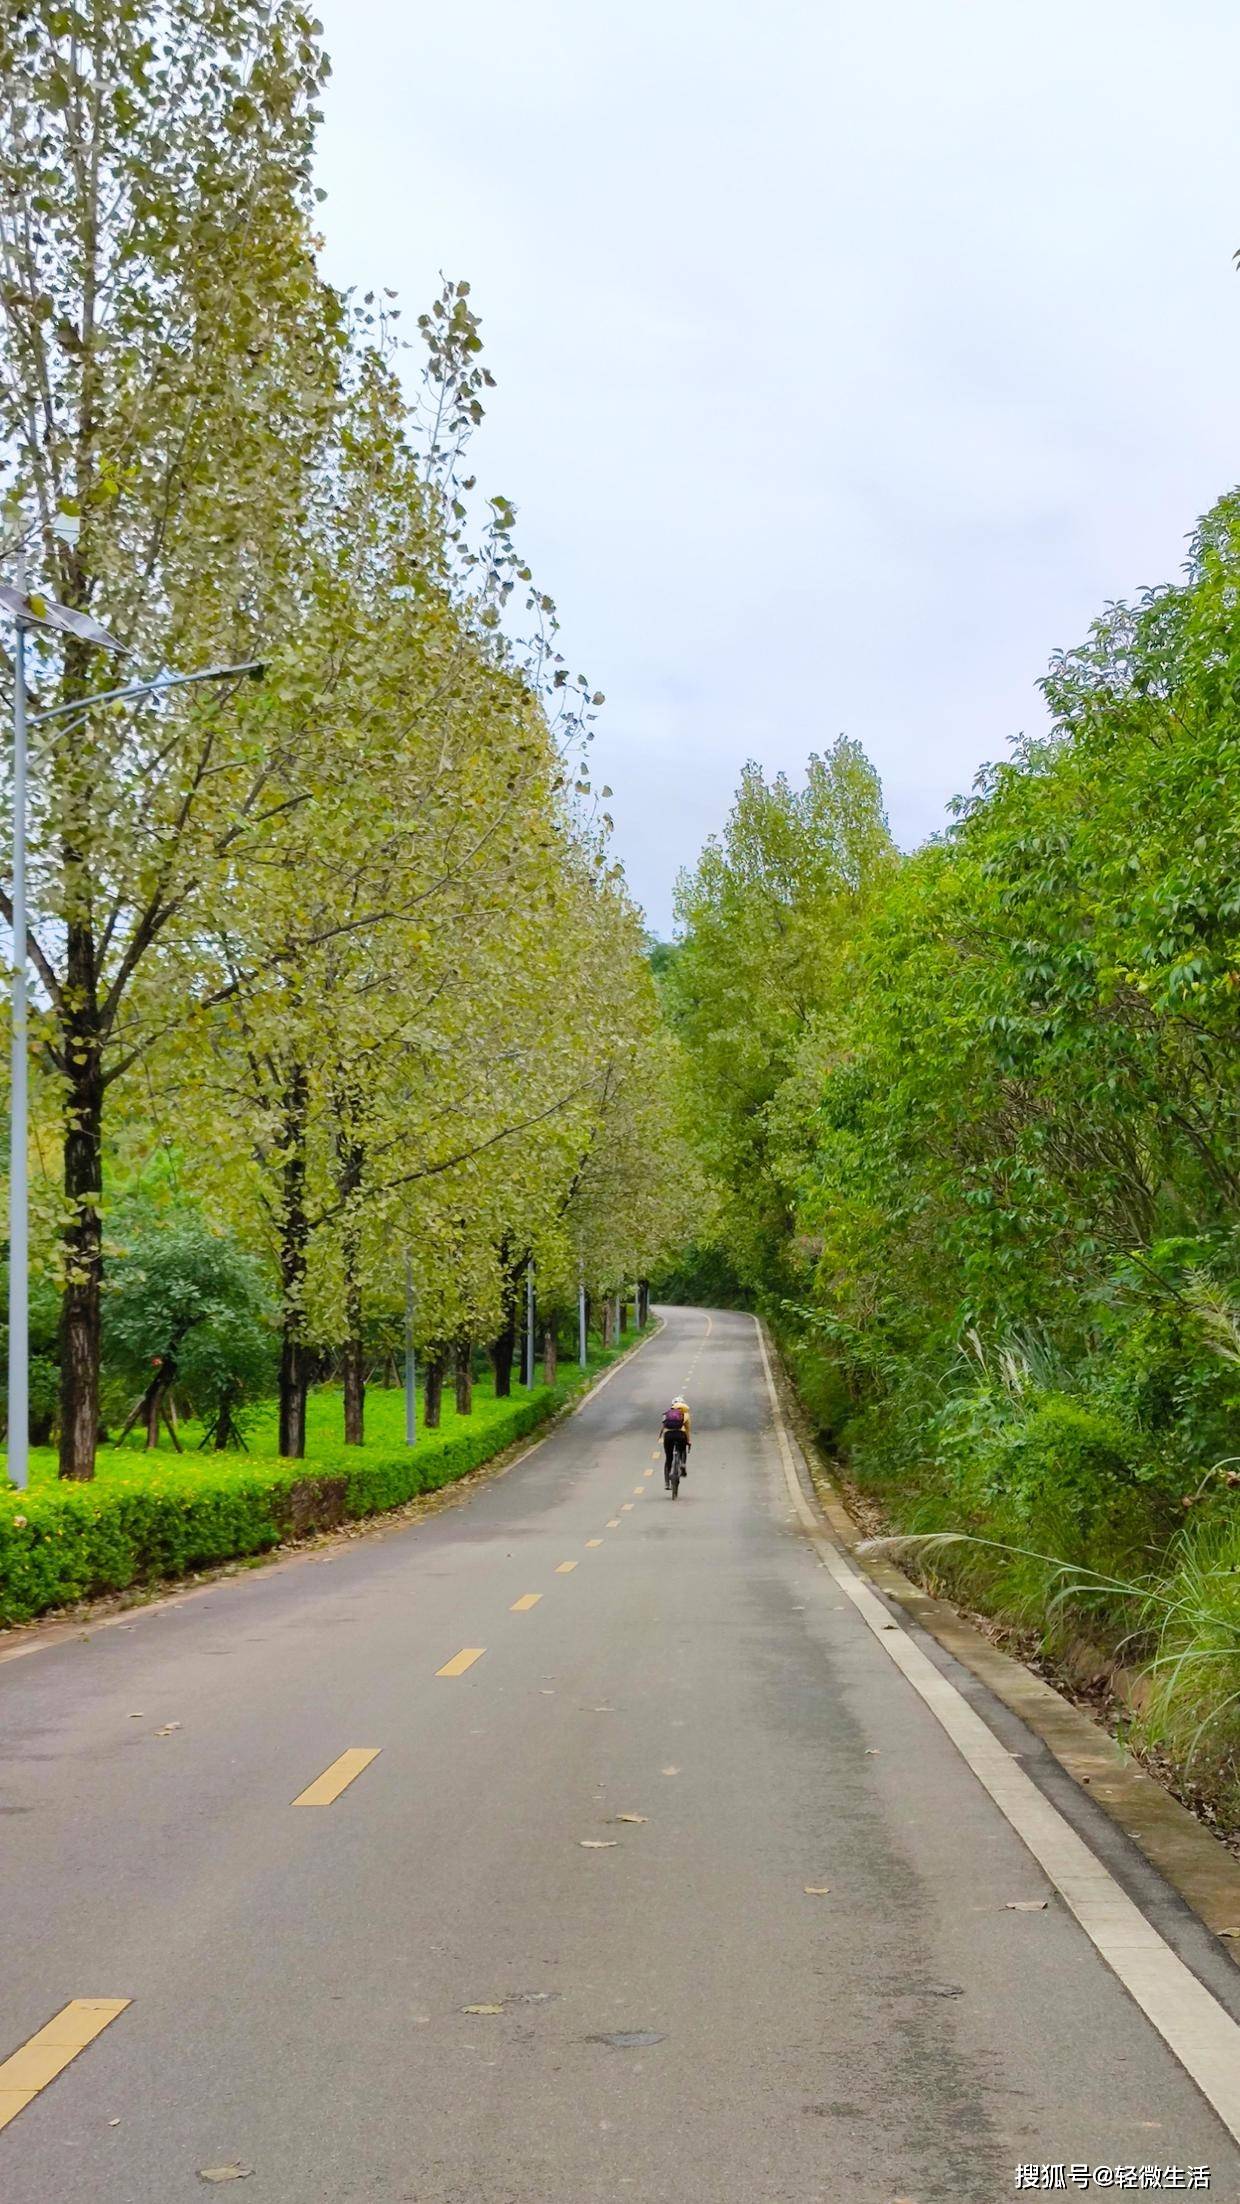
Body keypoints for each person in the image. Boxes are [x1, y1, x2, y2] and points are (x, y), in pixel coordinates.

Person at [660, 1397, 692, 1486]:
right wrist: (688, 1441)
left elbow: (663, 1426)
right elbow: (687, 1429)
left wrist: (660, 1437)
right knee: (682, 1450)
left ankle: (667, 1482)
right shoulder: (685, 1414)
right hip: (681, 1435)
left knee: (668, 1458)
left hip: (668, 1436)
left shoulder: (667, 1413)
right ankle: (682, 1464)